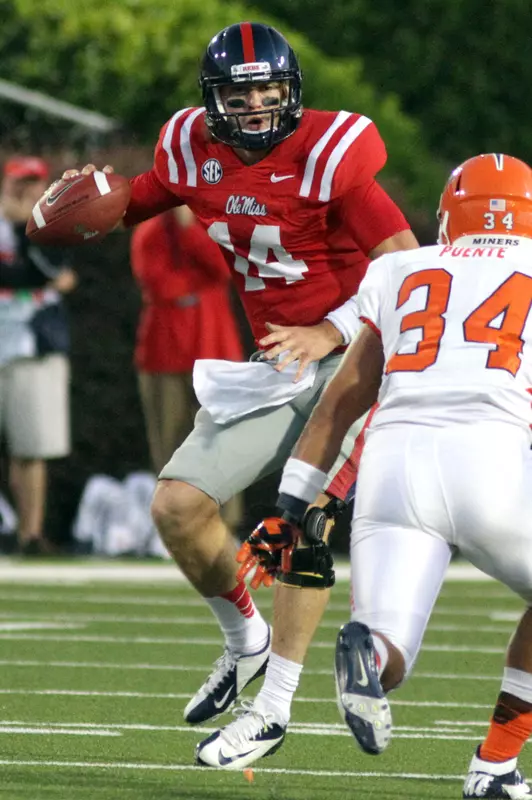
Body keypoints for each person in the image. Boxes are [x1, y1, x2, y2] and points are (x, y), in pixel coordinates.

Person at [61, 21, 418, 768]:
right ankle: (244, 638)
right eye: (239, 90)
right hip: (277, 365)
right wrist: (88, 203)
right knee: (178, 509)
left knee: (303, 523)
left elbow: (408, 269)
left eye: (267, 88)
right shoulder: (196, 150)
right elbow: (140, 200)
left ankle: (275, 707)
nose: (255, 104)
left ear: (291, 93)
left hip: (357, 358)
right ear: (213, 99)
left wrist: (331, 326)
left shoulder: (330, 157)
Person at [260, 152, 532, 798]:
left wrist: (287, 513)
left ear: (447, 220)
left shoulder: (400, 270)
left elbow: (338, 406)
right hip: (489, 460)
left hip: (391, 467)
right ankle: (494, 764)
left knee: (388, 653)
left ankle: (369, 655)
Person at [130, 204, 245, 530]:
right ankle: (174, 526)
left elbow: (225, 269)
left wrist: (188, 230)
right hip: (164, 354)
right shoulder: (150, 229)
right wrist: (201, 284)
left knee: (223, 445)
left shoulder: (214, 222)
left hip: (214, 351)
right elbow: (157, 284)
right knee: (169, 448)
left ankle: (225, 526)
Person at [0, 156, 77, 555]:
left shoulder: (51, 225)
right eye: (20, 182)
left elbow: (56, 272)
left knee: (31, 446)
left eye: (34, 183)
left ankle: (30, 533)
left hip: (32, 342)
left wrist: (22, 225)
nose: (26, 190)